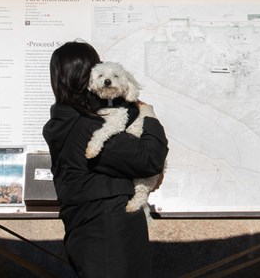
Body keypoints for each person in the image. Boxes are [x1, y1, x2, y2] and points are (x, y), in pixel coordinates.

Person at [42, 41, 168, 277]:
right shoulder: (86, 127)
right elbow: (149, 160)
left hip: (87, 229)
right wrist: (149, 116)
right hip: (110, 233)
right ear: (86, 76)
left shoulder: (61, 123)